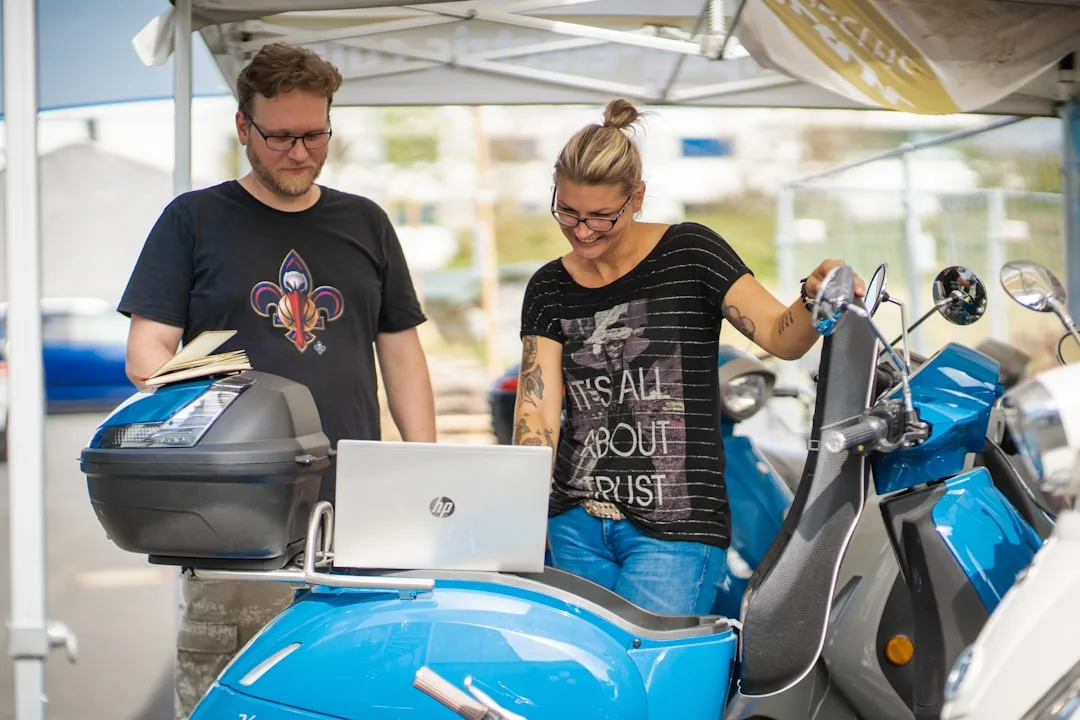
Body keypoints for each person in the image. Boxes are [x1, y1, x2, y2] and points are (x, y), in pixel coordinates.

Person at [117, 42, 436, 717]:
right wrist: (184, 375)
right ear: (244, 129)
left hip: (358, 516)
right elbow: (147, 351)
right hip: (234, 524)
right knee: (233, 697)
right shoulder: (192, 220)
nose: (300, 152)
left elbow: (402, 354)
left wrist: (423, 468)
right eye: (282, 137)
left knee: (352, 694)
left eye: (315, 135)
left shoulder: (366, 222)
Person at [513, 98, 864, 616]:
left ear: (636, 198)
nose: (582, 231)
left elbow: (780, 337)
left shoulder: (691, 252)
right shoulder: (548, 286)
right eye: (567, 212)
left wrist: (815, 296)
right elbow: (536, 412)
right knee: (584, 685)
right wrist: (521, 516)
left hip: (675, 531)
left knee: (653, 681)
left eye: (600, 217)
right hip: (575, 526)